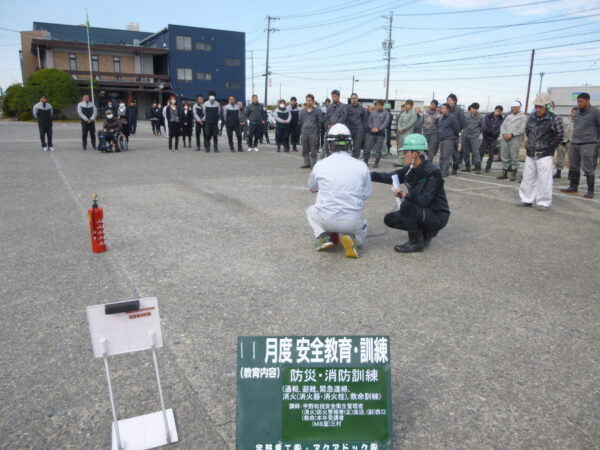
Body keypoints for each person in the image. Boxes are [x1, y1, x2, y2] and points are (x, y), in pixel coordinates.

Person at [370, 133, 450, 253]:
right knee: (390, 219)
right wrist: (367, 175)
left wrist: (404, 194)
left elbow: (424, 200)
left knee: (406, 206)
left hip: (436, 215)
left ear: (414, 154)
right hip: (421, 211)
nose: (403, 155)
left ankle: (416, 242)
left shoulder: (433, 173)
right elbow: (388, 177)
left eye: (405, 152)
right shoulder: (409, 170)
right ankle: (424, 233)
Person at [307, 123, 371, 258]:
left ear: (329, 144)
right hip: (351, 221)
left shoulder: (320, 164)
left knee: (310, 211)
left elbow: (312, 188)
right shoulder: (361, 166)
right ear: (349, 144)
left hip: (326, 219)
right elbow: (366, 195)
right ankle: (354, 239)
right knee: (364, 226)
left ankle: (323, 236)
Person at [516, 93, 564, 210]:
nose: (537, 109)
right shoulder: (531, 118)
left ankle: (543, 202)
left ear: (546, 106)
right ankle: (526, 199)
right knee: (527, 178)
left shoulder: (555, 119)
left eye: (540, 107)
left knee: (544, 179)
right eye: (536, 106)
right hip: (531, 152)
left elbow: (559, 135)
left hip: (545, 154)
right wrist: (531, 144)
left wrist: (549, 147)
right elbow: (528, 132)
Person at [561, 92, 600, 198]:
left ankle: (590, 191)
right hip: (575, 143)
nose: (579, 103)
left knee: (588, 167)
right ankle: (573, 187)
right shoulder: (577, 112)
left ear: (588, 100)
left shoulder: (595, 112)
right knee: (573, 166)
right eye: (578, 101)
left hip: (588, 143)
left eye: (581, 101)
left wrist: (597, 141)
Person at [498, 100, 527, 181]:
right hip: (505, 138)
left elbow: (522, 128)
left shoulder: (523, 117)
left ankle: (514, 173)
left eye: (514, 107)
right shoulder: (508, 117)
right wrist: (503, 134)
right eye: (512, 107)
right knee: (504, 155)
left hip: (515, 139)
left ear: (519, 108)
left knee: (514, 156)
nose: (513, 109)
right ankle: (504, 173)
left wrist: (512, 134)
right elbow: (502, 126)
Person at [299, 93, 323, 169]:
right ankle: (307, 163)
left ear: (313, 101)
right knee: (305, 149)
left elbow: (320, 122)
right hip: (304, 132)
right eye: (307, 100)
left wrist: (317, 131)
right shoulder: (302, 111)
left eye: (310, 100)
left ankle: (313, 165)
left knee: (313, 149)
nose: (308, 102)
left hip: (314, 133)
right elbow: (301, 121)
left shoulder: (318, 111)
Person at [364, 100, 390, 168]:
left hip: (380, 134)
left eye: (380, 105)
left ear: (382, 106)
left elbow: (386, 122)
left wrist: (379, 129)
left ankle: (376, 163)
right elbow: (369, 121)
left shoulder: (386, 113)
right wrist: (371, 128)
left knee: (378, 149)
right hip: (372, 133)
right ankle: (365, 161)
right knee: (368, 148)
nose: (378, 106)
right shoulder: (373, 113)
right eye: (377, 105)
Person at [438, 103, 460, 177]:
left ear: (448, 109)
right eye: (441, 108)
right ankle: (441, 171)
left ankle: (445, 172)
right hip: (442, 139)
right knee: (441, 156)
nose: (442, 109)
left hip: (449, 139)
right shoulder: (442, 117)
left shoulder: (452, 117)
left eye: (443, 108)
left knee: (446, 156)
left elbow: (456, 128)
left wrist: (453, 136)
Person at [461, 103, 484, 173]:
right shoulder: (466, 116)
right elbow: (462, 125)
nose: (474, 110)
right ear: (470, 109)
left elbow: (482, 127)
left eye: (476, 109)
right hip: (465, 136)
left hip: (474, 137)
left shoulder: (480, 117)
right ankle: (467, 166)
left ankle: (478, 167)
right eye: (473, 108)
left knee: (475, 152)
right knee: (465, 152)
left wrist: (477, 134)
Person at [480, 106, 504, 172]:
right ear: (494, 110)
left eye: (499, 111)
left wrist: (494, 133)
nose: (497, 112)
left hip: (494, 138)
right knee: (481, 152)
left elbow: (500, 128)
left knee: (491, 154)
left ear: (501, 112)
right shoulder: (487, 116)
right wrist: (489, 131)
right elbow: (484, 126)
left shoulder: (501, 119)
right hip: (486, 137)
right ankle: (478, 166)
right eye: (497, 111)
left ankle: (488, 167)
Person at [554, 107, 575, 178]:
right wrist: (560, 140)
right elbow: (560, 130)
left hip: (572, 143)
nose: (574, 114)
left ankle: (570, 174)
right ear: (570, 113)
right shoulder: (564, 120)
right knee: (560, 158)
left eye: (575, 113)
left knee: (571, 159)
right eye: (573, 112)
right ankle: (558, 172)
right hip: (562, 142)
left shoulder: (579, 122)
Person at [447, 94, 466, 174]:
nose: (448, 102)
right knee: (446, 151)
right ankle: (445, 168)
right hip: (446, 134)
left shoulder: (459, 111)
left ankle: (455, 168)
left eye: (450, 100)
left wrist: (457, 131)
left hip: (454, 134)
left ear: (455, 101)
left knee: (455, 152)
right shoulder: (446, 110)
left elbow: (462, 123)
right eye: (447, 100)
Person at [346, 93, 368, 159]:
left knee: (357, 146)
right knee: (346, 145)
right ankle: (345, 159)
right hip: (349, 129)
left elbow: (365, 120)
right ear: (350, 99)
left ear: (357, 99)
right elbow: (345, 118)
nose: (354, 100)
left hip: (359, 129)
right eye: (352, 98)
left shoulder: (362, 109)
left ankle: (355, 159)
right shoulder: (347, 108)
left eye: (355, 98)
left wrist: (364, 130)